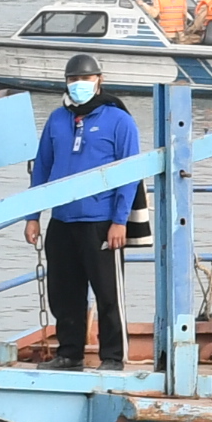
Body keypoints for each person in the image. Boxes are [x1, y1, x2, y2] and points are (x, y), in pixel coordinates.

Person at [30, 56, 142, 372]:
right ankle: (69, 353)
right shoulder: (57, 119)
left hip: (101, 220)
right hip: (63, 219)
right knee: (64, 292)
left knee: (108, 292)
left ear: (98, 80)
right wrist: (33, 216)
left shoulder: (119, 120)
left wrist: (120, 220)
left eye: (85, 78)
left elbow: (129, 173)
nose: (78, 84)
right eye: (72, 79)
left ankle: (112, 356)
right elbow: (42, 166)